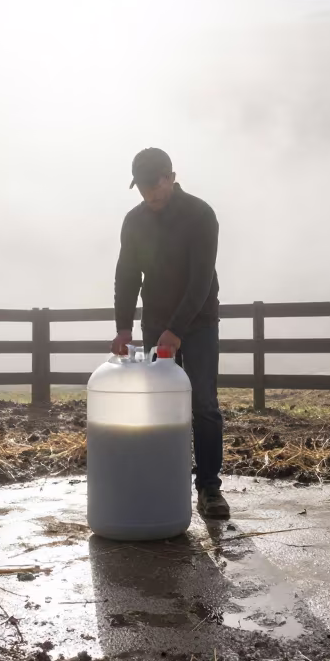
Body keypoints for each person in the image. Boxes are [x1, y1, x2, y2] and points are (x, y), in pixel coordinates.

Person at [110, 147, 229, 520]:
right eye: (143, 188)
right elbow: (127, 276)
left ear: (171, 177)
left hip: (199, 323)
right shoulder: (134, 221)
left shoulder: (200, 215)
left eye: (154, 186)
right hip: (154, 323)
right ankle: (161, 481)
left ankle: (209, 488)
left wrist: (176, 330)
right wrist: (124, 326)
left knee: (204, 405)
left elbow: (201, 279)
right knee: (158, 403)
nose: (149, 195)